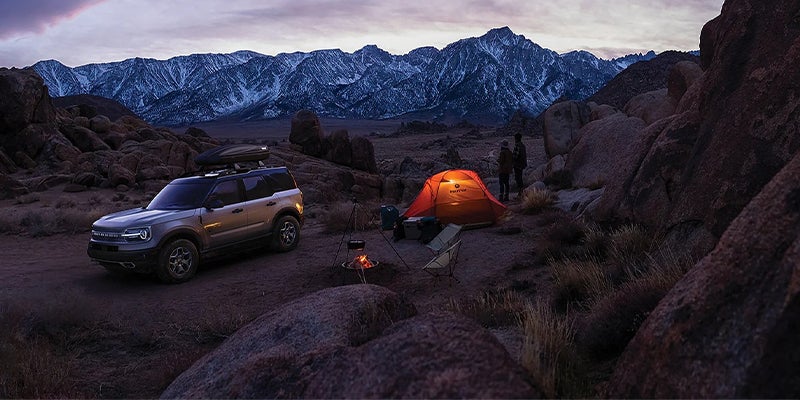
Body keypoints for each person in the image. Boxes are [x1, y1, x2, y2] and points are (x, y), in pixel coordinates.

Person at [512, 133, 527, 197]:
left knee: (518, 178)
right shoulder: (523, 145)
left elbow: (515, 156)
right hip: (522, 164)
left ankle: (520, 193)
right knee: (520, 177)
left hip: (517, 165)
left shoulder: (517, 146)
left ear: (516, 138)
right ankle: (521, 193)